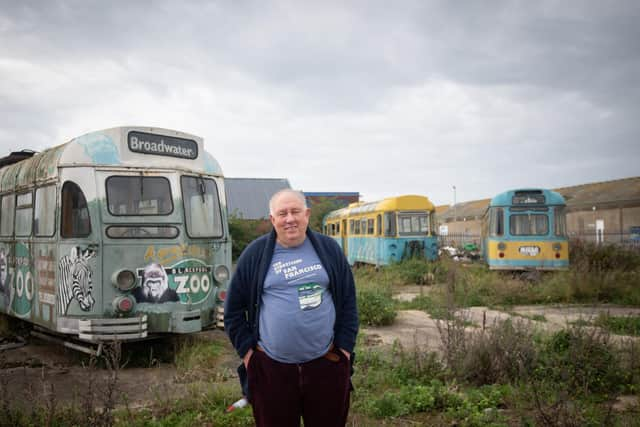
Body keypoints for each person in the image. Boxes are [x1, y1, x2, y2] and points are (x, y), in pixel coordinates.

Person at [224, 189, 358, 427]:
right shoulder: (255, 254)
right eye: (282, 213)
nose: (290, 219)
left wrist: (344, 350)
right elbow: (233, 310)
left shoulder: (328, 249)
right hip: (271, 369)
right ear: (272, 219)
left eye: (295, 211)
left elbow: (348, 301)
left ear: (306, 214)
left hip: (326, 364)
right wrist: (248, 356)